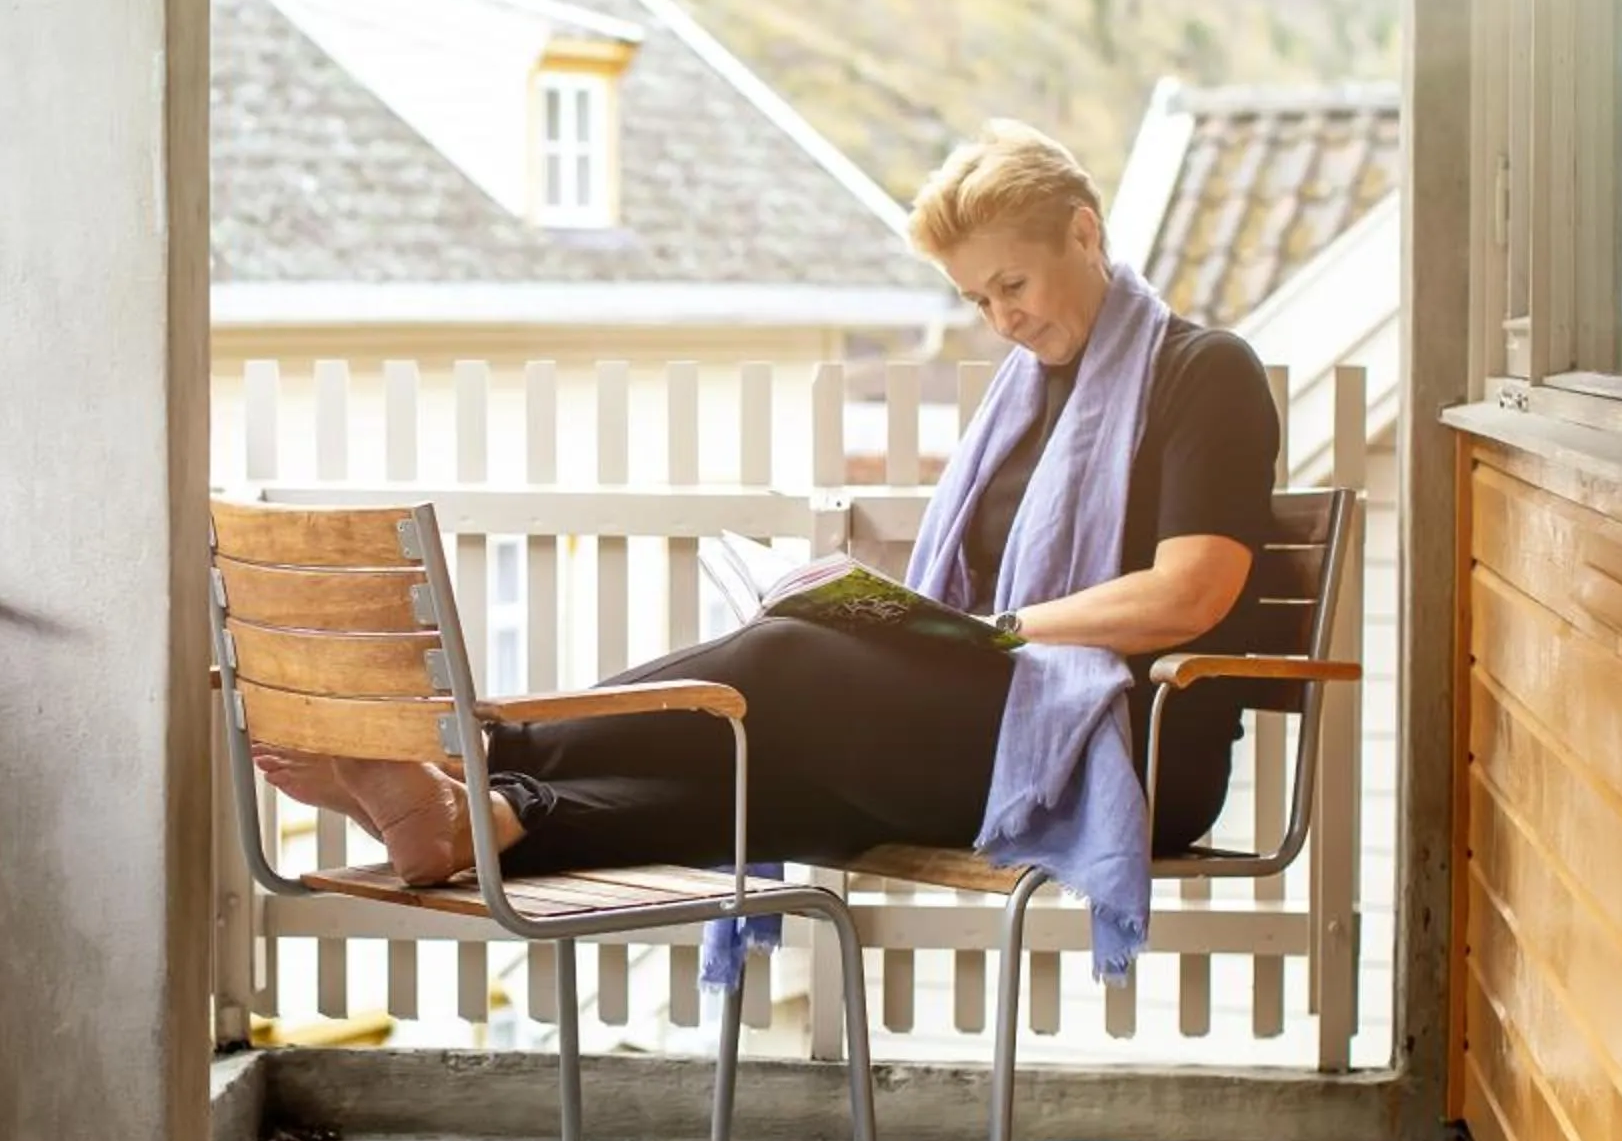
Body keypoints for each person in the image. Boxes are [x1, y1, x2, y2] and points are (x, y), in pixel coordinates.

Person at [253, 121, 1281, 947]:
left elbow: (1190, 593)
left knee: (790, 661)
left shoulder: (1203, 373)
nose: (1000, 317)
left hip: (1138, 743)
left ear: (1086, 235)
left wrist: (997, 632)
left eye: (1012, 285)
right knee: (765, 769)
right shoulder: (1028, 400)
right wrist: (926, 627)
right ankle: (503, 815)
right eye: (976, 299)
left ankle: (482, 743)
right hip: (1001, 712)